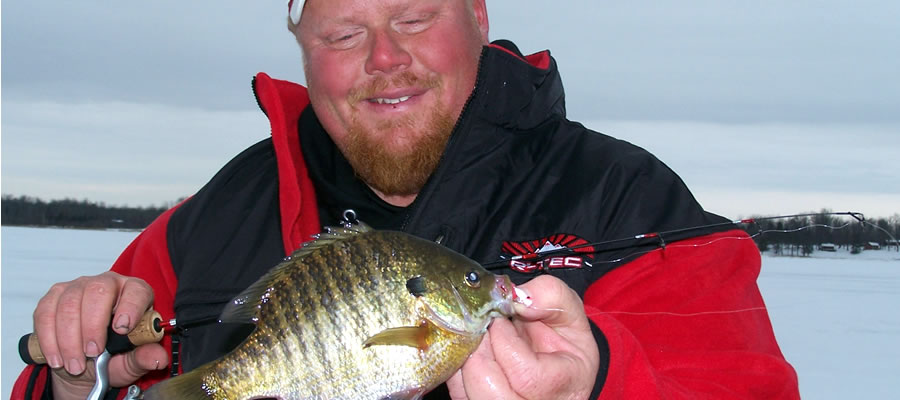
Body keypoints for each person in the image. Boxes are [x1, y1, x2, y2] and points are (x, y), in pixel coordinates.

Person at [12, 0, 800, 399]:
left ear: (479, 15)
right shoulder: (216, 216)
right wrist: (74, 383)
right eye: (343, 33)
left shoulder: (634, 203)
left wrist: (602, 379)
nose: (385, 59)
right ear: (301, 48)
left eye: (414, 16)